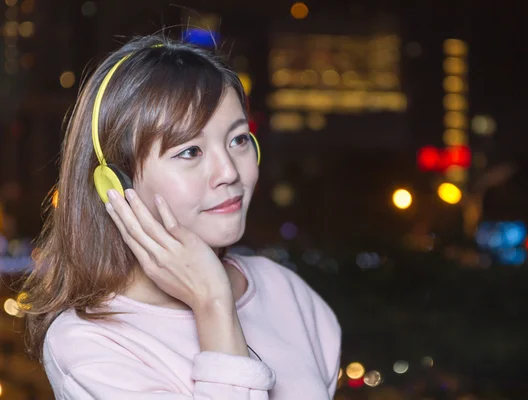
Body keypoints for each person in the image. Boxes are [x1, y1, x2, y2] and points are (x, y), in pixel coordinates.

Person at [20, 34, 341, 399]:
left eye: (238, 140)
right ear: (115, 182)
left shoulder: (285, 291)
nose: (229, 173)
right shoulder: (90, 345)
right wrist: (213, 302)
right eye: (190, 151)